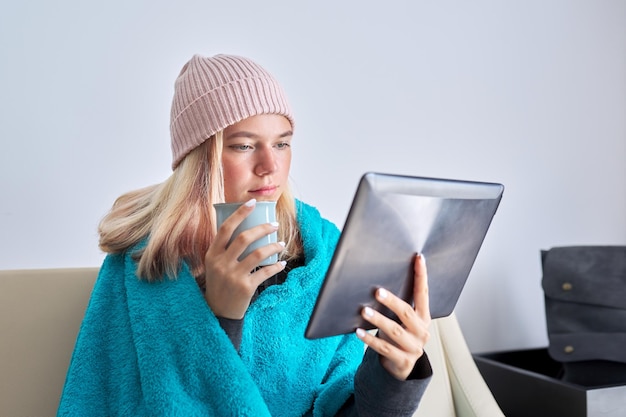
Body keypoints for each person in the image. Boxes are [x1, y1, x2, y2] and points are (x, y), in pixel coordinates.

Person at [57, 54, 433, 417]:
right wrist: (223, 317)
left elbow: (343, 405)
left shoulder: (323, 253)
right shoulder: (145, 265)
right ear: (199, 158)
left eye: (282, 143)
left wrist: (393, 374)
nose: (270, 166)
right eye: (244, 145)